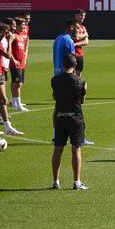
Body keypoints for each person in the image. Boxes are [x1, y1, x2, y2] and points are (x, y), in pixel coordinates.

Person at [50, 53, 88, 190]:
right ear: (75, 65)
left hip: (60, 117)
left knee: (57, 149)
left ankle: (56, 181)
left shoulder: (54, 80)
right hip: (75, 118)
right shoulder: (80, 82)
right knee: (76, 149)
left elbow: (55, 97)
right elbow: (82, 101)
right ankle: (77, 182)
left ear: (62, 64)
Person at [9, 18, 30, 113]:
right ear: (16, 25)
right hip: (15, 65)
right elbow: (7, 48)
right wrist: (13, 59)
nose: (24, 27)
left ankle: (15, 103)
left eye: (25, 25)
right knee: (17, 84)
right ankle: (18, 105)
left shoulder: (21, 36)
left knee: (18, 84)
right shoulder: (13, 36)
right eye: (22, 25)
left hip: (22, 64)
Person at [73, 10, 90, 76]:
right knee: (71, 74)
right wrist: (84, 35)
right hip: (72, 53)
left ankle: (77, 86)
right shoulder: (72, 25)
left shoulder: (83, 27)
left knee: (78, 75)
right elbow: (75, 37)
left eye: (84, 16)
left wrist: (75, 44)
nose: (82, 17)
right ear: (76, 16)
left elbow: (86, 42)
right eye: (81, 15)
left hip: (80, 54)